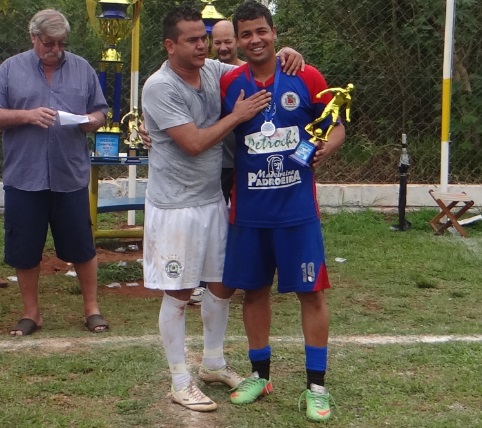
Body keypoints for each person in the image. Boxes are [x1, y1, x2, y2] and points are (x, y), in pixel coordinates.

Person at [140, 4, 304, 413]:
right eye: (192, 40)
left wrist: (290, 54)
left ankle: (213, 363)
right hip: (175, 206)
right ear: (170, 45)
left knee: (220, 285)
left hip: (212, 199)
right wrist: (238, 116)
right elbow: (194, 143)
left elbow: (259, 66)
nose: (203, 46)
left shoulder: (212, 70)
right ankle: (180, 380)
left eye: (204, 38)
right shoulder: (159, 87)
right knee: (179, 293)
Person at [220, 1, 346, 422]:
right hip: (250, 211)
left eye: (262, 31)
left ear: (274, 32)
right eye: (246, 34)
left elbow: (336, 124)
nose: (255, 40)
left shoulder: (305, 75)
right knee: (253, 292)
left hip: (297, 211)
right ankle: (260, 375)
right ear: (238, 41)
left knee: (312, 293)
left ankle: (317, 387)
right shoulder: (229, 82)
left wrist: (328, 146)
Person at [0, 9, 109, 336]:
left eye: (61, 43)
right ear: (33, 37)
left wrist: (92, 121)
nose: (56, 50)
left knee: (82, 246)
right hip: (24, 174)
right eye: (49, 43)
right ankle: (31, 313)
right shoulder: (9, 69)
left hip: (69, 174)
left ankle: (91, 308)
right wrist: (27, 116)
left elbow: (100, 111)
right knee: (25, 249)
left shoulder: (82, 68)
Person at [189, 19, 246, 306]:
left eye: (228, 41)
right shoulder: (206, 72)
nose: (223, 47)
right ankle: (200, 282)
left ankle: (245, 275)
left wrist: (287, 52)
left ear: (238, 41)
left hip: (247, 161)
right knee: (209, 223)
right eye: (218, 42)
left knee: (244, 220)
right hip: (216, 163)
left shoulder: (246, 73)